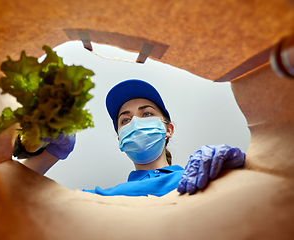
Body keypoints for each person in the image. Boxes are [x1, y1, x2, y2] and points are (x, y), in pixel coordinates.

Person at [17, 79, 245, 196]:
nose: (135, 122)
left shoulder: (200, 176)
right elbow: (8, 195)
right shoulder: (102, 198)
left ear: (168, 129)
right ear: (120, 139)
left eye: (147, 114)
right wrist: (51, 155)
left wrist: (238, 167)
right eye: (125, 120)